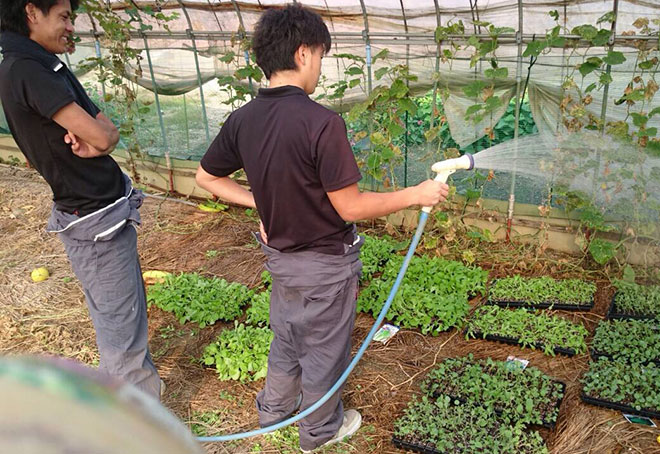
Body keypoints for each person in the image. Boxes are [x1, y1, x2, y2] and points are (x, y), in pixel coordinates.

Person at [196, 5, 448, 452]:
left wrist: (260, 200)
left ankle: (273, 412)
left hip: (281, 262)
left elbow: (207, 178)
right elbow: (349, 207)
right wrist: (416, 195)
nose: (319, 69)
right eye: (321, 57)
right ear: (305, 53)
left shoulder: (243, 119)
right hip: (325, 267)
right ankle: (319, 431)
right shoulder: (321, 122)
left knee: (287, 336)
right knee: (324, 351)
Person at [0, 0, 161, 399]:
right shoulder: (27, 70)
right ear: (32, 13)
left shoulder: (39, 63)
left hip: (98, 213)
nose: (71, 26)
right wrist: (101, 137)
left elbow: (102, 126)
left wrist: (100, 135)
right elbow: (104, 135)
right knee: (122, 340)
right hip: (95, 221)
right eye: (65, 17)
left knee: (123, 321)